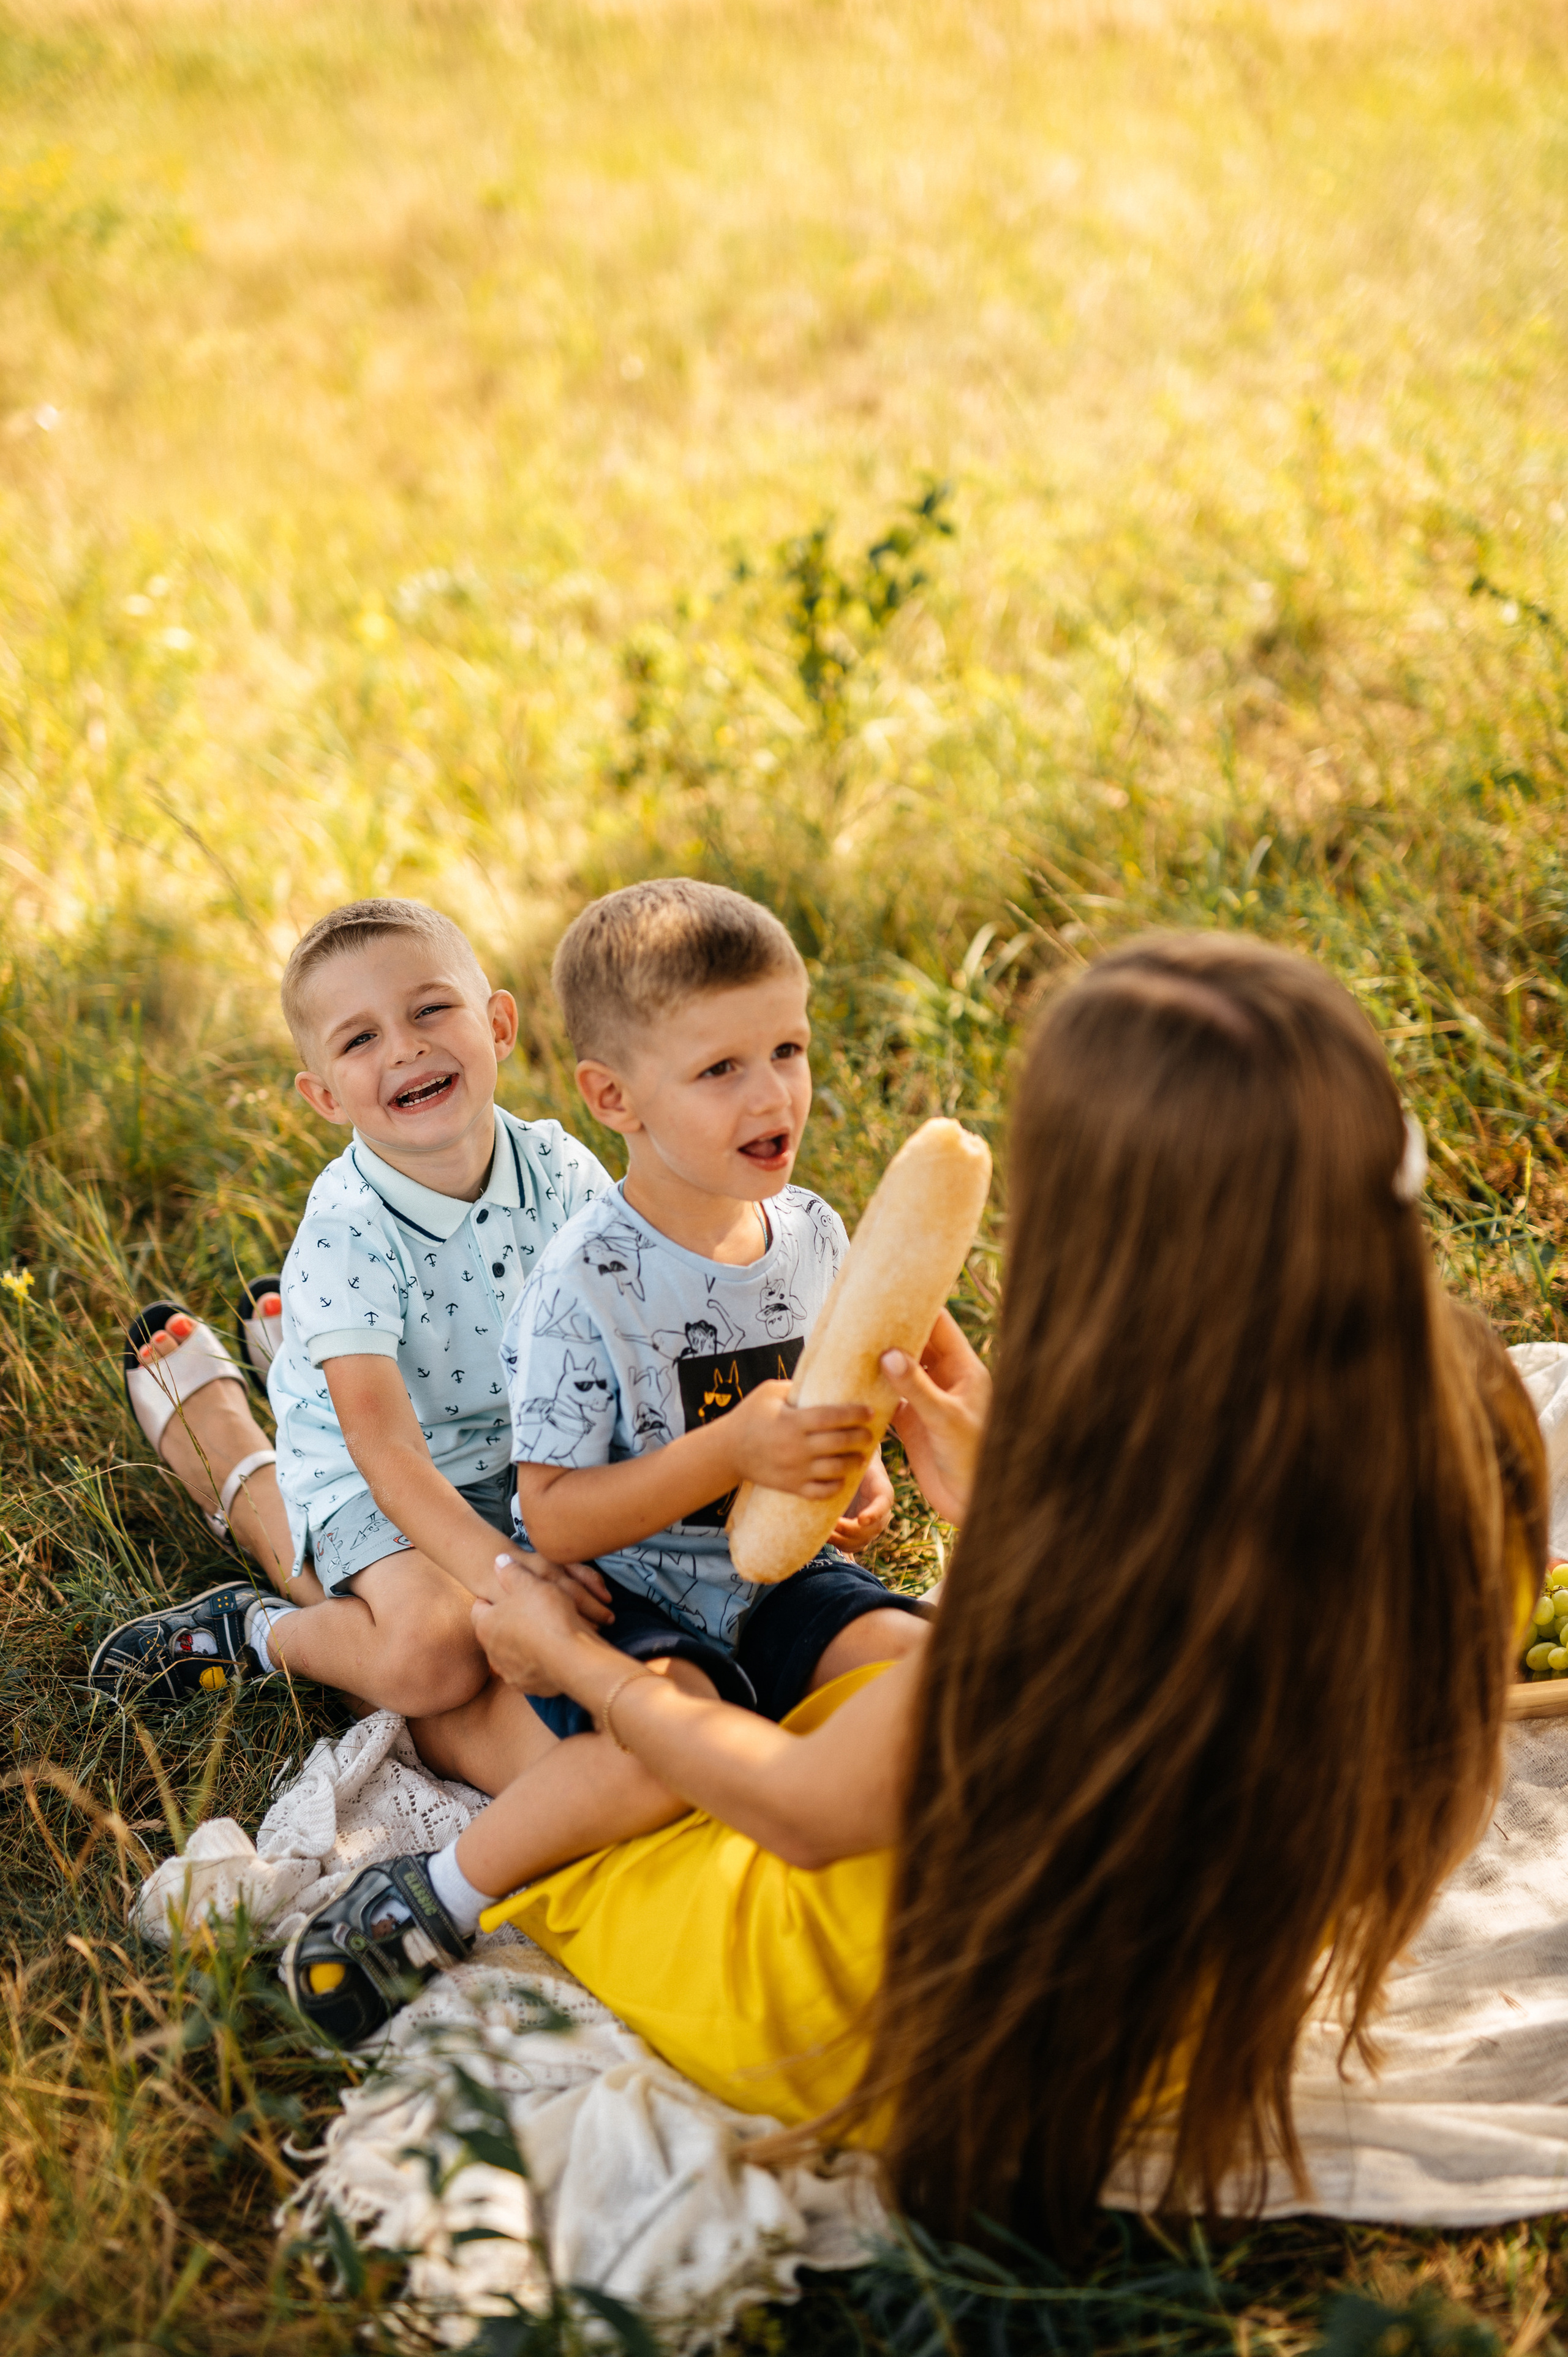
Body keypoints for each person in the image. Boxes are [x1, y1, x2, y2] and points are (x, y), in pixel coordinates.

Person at [284, 928, 1544, 2247]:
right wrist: (994, 1497)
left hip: (873, 2016)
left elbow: (808, 1813)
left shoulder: (1128, 1549)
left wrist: (572, 1652)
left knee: (546, 1705)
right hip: (1193, 1991)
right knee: (822, 1671)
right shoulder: (1455, 1422)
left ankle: (322, 1626)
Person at [279, 879, 928, 2033]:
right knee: (638, 1743)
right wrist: (517, 1570)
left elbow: (828, 1415)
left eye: (787, 1049)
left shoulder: (817, 1234)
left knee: (905, 1648)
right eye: (721, 1068)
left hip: (766, 1567)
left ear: (498, 1025)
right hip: (621, 1562)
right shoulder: (583, 1272)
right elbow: (543, 1510)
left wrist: (851, 1472)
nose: (773, 1090)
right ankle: (437, 1891)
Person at [90, 897, 610, 1718]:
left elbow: (627, 1325)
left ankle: (301, 1347)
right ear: (325, 1095)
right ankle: (261, 1631)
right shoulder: (347, 1233)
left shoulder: (561, 1167)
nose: (406, 1046)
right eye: (360, 1039)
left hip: (529, 1459)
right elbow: (386, 1451)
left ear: (500, 1024)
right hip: (377, 1476)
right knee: (432, 1659)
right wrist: (504, 1572)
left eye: (431, 1008)